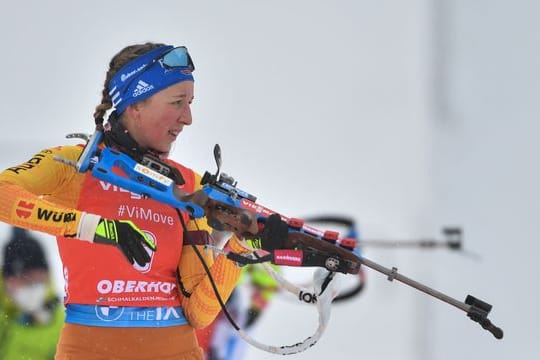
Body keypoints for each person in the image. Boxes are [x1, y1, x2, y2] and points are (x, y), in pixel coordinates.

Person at [0, 42, 254, 359]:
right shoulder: (76, 165)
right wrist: (98, 228)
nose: (187, 118)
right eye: (177, 102)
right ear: (136, 105)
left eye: (190, 103)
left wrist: (241, 250)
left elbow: (199, 312)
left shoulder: (189, 185)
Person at [0, 227, 64, 359]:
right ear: (6, 281)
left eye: (35, 280)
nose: (29, 289)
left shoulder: (63, 325)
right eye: (21, 280)